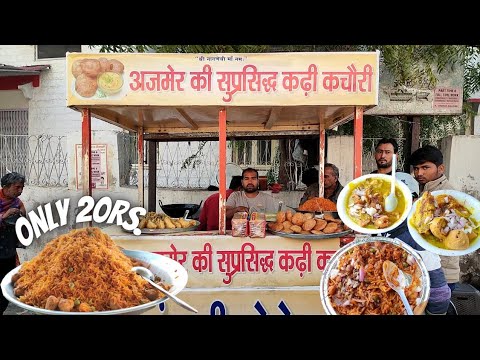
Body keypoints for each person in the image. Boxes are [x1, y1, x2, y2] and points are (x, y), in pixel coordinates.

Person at [380, 172, 451, 315]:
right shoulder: (374, 228)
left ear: (415, 201)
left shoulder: (419, 239)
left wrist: (436, 313)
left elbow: (439, 291)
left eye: (405, 198)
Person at [410, 145, 459, 293]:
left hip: (443, 271)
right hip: (429, 266)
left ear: (441, 168)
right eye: (416, 168)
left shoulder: (447, 194)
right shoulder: (428, 190)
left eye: (425, 168)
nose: (419, 172)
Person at [0, 172, 26, 314]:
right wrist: (4, 216)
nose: (20, 191)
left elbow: (23, 220)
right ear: (5, 187)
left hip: (8, 249)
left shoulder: (17, 202)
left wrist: (21, 214)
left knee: (7, 281)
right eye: (17, 187)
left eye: (22, 187)